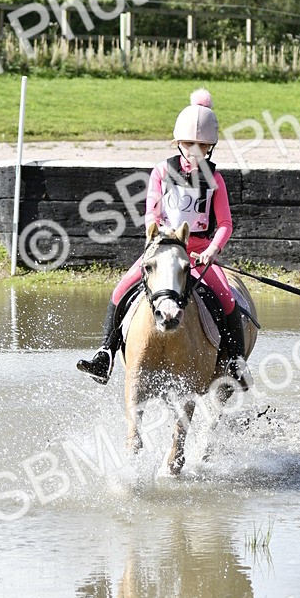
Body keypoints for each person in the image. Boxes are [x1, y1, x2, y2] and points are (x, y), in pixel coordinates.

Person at [76, 88, 251, 388]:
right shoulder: (161, 172)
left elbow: (225, 223)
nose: (195, 151)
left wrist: (212, 250)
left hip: (197, 252)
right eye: (189, 144)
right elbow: (152, 214)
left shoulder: (215, 179)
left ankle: (235, 361)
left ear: (210, 147)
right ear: (179, 143)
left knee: (228, 300)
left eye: (202, 146)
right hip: (163, 248)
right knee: (120, 290)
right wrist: (156, 237)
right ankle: (105, 354)